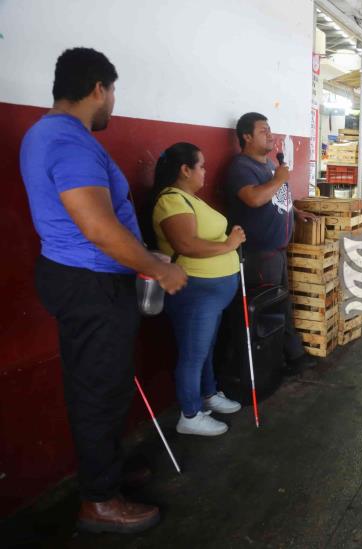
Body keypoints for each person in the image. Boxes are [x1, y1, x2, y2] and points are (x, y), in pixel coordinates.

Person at [20, 48, 187, 533]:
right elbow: (96, 227)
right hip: (90, 282)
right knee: (98, 391)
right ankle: (99, 500)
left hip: (82, 276)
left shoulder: (47, 133)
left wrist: (144, 256)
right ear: (99, 89)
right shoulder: (70, 143)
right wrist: (159, 270)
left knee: (103, 384)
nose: (113, 103)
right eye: (112, 92)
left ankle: (106, 474)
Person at [151, 143, 245, 436]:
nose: (205, 171)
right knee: (193, 353)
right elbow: (186, 245)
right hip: (195, 291)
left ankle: (208, 393)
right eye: (201, 166)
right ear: (185, 169)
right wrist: (230, 244)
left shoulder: (191, 199)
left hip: (213, 293)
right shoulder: (171, 200)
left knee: (205, 348)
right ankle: (190, 414)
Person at [225, 112, 317, 375]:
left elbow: (275, 198)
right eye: (263, 130)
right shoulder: (241, 167)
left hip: (277, 250)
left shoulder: (268, 166)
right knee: (270, 310)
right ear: (246, 136)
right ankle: (272, 365)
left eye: (270, 129)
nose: (270, 134)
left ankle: (292, 356)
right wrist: (279, 178)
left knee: (282, 305)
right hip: (259, 254)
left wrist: (296, 212)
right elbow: (254, 199)